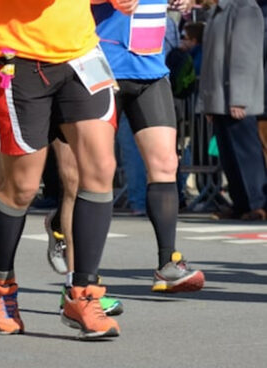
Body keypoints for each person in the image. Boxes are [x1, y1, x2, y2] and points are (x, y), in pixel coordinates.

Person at [0, 0, 134, 340]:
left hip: (82, 56)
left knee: (99, 169)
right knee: (21, 186)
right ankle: (1, 286)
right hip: (18, 60)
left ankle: (82, 292)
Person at [46, 0, 206, 297]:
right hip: (97, 67)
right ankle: (77, 267)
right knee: (86, 175)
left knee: (165, 163)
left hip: (150, 68)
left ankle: (167, 264)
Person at [200, 0, 266, 220]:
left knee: (246, 154)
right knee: (229, 155)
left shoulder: (245, 8)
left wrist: (240, 97)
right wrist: (208, 103)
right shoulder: (218, 11)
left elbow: (244, 56)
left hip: (236, 98)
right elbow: (211, 60)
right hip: (220, 97)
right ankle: (240, 203)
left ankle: (257, 204)